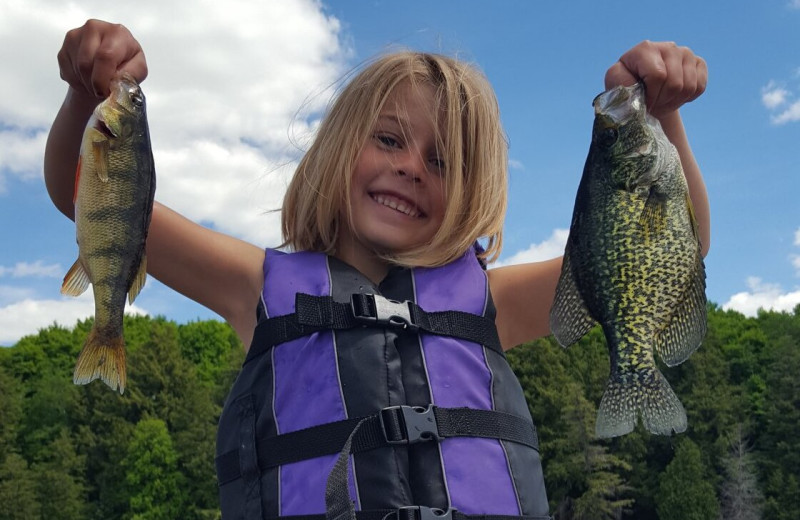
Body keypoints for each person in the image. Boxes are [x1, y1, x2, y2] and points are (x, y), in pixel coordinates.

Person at [45, 19, 710, 520]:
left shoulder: (490, 301)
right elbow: (85, 195)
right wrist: (86, 98)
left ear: (469, 191)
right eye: (389, 140)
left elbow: (676, 250)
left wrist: (661, 117)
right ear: (337, 149)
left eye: (442, 161)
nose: (411, 167)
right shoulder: (257, 286)